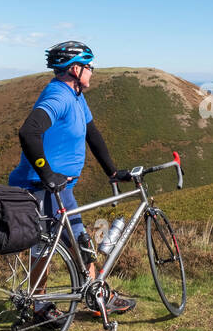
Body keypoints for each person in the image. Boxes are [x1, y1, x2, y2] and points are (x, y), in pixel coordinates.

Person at [9, 41, 136, 316]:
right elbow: (28, 132)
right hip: (41, 186)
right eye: (89, 66)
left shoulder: (77, 96)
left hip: (59, 187)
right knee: (49, 246)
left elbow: (92, 134)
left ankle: (94, 295)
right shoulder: (59, 96)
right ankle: (41, 306)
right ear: (75, 69)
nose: (92, 71)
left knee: (78, 241)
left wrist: (111, 171)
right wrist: (47, 173)